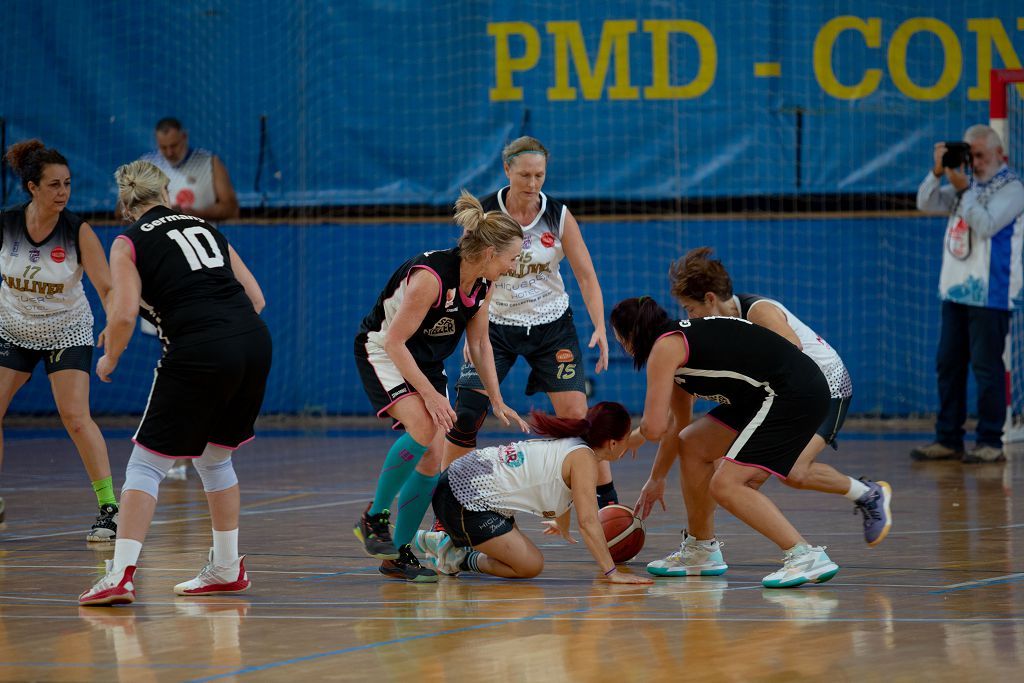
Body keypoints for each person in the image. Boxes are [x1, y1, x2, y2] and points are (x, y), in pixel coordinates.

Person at [78, 160, 270, 606]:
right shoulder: (205, 227)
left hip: (200, 349)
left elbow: (123, 313)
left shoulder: (128, 241)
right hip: (254, 342)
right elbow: (256, 298)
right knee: (214, 457)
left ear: (125, 204)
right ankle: (226, 566)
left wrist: (109, 357)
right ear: (165, 191)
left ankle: (120, 574)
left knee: (145, 465)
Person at [633, 247, 885, 577]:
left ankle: (858, 502)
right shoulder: (707, 334)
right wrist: (657, 477)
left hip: (823, 387)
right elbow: (678, 420)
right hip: (769, 396)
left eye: (689, 309)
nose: (689, 317)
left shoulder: (757, 312)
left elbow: (790, 355)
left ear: (710, 299)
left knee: (770, 474)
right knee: (696, 445)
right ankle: (701, 548)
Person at [353, 189, 530, 582]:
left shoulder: (482, 286)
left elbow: (480, 344)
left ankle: (398, 554)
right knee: (425, 427)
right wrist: (431, 396)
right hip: (384, 350)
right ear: (489, 253)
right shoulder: (430, 279)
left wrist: (497, 400)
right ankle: (374, 516)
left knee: (433, 457)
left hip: (426, 362)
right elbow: (395, 342)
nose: (514, 266)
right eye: (512, 258)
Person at [441, 137, 618, 508]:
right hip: (495, 326)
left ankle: (606, 506)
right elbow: (467, 273)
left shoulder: (558, 214)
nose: (533, 183)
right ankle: (449, 504)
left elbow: (586, 275)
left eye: (540, 174)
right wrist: (468, 331)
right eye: (525, 174)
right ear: (507, 171)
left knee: (575, 417)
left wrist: (600, 326)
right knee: (468, 413)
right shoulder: (486, 214)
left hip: (552, 327)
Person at [0, 140, 116, 541]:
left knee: (74, 416)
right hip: (13, 326)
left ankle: (108, 508)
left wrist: (113, 321)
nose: (63, 192)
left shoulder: (78, 231)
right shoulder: (8, 223)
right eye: (54, 185)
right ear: (32, 187)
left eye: (67, 183)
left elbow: (107, 287)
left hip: (66, 329)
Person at [415, 402, 651, 584]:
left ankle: (450, 545)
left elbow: (562, 489)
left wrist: (561, 523)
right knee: (530, 566)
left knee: (524, 559)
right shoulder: (584, 460)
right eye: (626, 436)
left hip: (467, 487)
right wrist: (612, 573)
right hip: (463, 498)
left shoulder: (575, 445)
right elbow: (589, 521)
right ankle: (456, 557)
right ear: (612, 443)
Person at [911, 125, 1024, 464]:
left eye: (980, 156)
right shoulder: (967, 186)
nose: (973, 163)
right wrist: (937, 172)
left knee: (987, 368)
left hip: (991, 293)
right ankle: (948, 438)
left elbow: (987, 225)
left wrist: (963, 191)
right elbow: (925, 203)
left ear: (999, 155)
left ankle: (991, 441)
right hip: (956, 290)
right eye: (969, 156)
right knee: (948, 364)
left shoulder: (1013, 188)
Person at [141, 117, 241, 480]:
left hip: (204, 270)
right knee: (174, 359)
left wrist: (189, 215)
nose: (169, 152)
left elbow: (231, 206)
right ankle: (179, 450)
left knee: (203, 360)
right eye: (163, 147)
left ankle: (204, 445)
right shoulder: (148, 167)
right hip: (166, 272)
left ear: (184, 137)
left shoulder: (208, 162)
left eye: (174, 145)